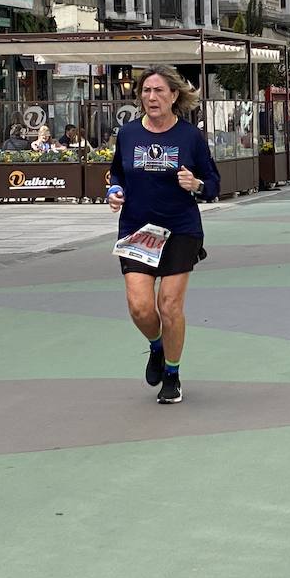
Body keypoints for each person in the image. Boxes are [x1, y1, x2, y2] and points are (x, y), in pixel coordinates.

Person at [108, 65, 220, 405]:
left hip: (180, 228)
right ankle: (157, 346)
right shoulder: (128, 134)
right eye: (146, 91)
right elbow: (117, 173)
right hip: (138, 229)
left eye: (159, 91)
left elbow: (213, 183)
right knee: (141, 307)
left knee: (169, 305)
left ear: (174, 96)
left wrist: (197, 184)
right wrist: (114, 191)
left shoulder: (189, 137)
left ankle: (172, 374)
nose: (151, 97)